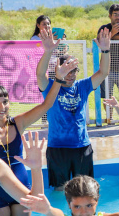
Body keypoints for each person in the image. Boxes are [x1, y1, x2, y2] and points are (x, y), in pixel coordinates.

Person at [0, 58, 77, 216]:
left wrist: (59, 79)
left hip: (22, 189)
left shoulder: (18, 123)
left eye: (5, 102)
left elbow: (46, 105)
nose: (2, 107)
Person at [36, 27, 111, 189]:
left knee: (85, 190)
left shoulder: (83, 86)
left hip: (81, 147)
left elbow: (103, 72)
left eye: (73, 71)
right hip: (57, 148)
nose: (70, 75)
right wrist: (48, 51)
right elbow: (40, 75)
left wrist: (105, 50)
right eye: (66, 71)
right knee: (59, 191)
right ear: (58, 71)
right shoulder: (51, 87)